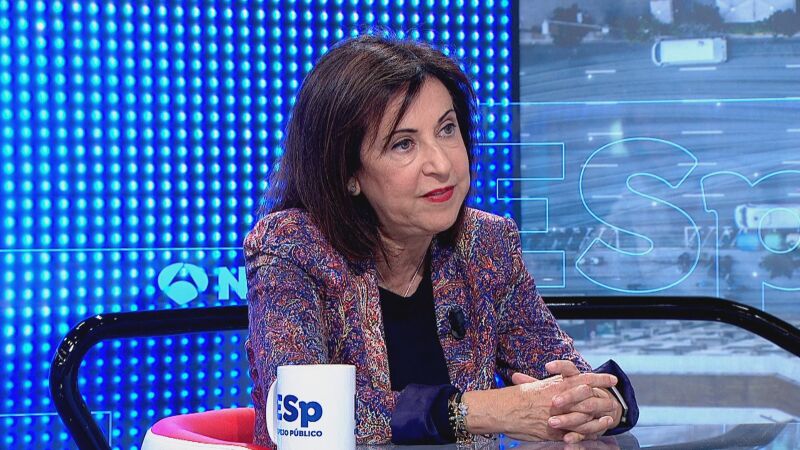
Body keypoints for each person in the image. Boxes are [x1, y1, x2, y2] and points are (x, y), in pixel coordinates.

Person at [244, 33, 638, 446]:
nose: (441, 163)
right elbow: (301, 414)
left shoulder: (486, 244)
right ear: (349, 174)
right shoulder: (292, 247)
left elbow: (561, 372)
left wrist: (604, 403)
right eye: (404, 144)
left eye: (447, 129)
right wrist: (477, 411)